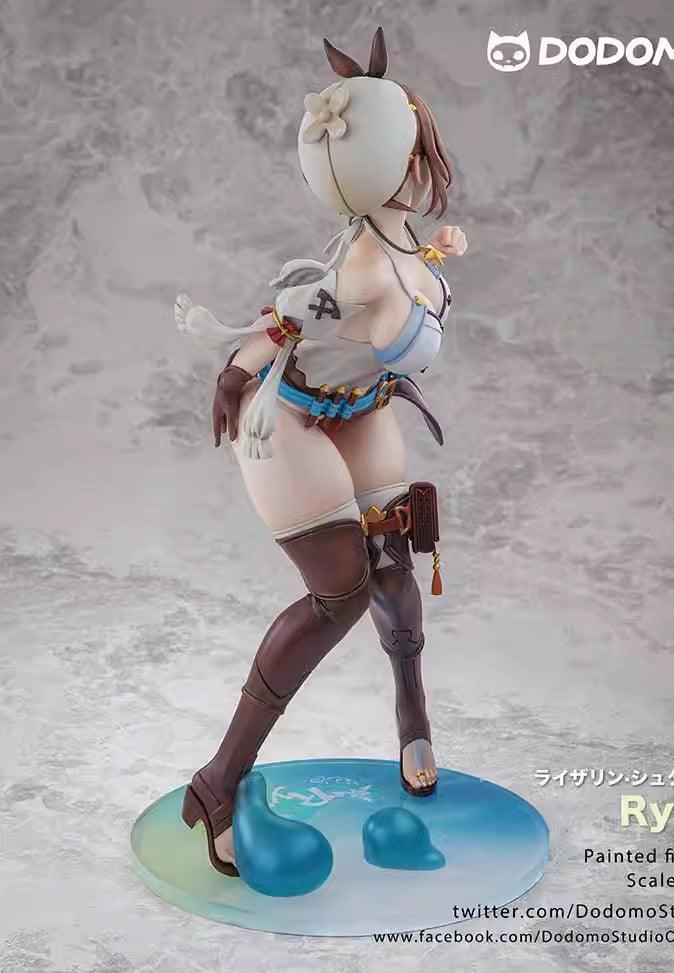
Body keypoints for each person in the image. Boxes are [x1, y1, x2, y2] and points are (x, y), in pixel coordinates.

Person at [175, 27, 467, 876]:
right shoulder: (364, 270)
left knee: (393, 568)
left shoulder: (408, 250)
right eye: (416, 149)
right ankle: (219, 780)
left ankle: (413, 718)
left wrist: (444, 252)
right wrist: (236, 372)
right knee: (339, 591)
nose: (427, 166)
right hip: (292, 419)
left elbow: (403, 294)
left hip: (362, 409)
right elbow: (284, 322)